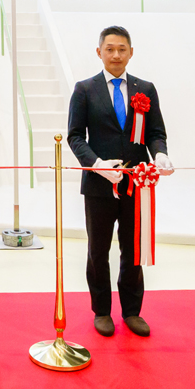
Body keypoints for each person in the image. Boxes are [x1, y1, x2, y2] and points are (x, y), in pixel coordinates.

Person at [67, 26, 172, 338]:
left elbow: (156, 132)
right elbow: (75, 136)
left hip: (137, 182)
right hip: (99, 184)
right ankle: (101, 310)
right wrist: (96, 165)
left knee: (133, 248)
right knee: (98, 250)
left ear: (131, 52)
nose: (116, 55)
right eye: (110, 49)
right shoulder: (85, 89)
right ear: (99, 52)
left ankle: (131, 311)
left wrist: (160, 154)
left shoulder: (145, 89)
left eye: (122, 49)